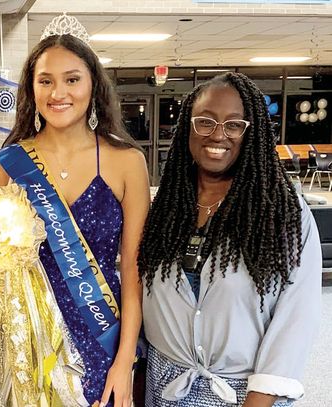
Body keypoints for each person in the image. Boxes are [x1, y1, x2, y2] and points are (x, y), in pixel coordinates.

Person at [0, 14, 150, 407]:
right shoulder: (7, 164)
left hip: (100, 335)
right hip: (22, 340)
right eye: (45, 80)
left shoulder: (127, 162)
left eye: (72, 79)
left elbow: (134, 270)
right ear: (31, 90)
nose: (58, 92)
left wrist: (124, 361)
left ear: (93, 86)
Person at [138, 72, 321, 406]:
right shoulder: (166, 207)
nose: (219, 134)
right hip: (164, 388)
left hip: (244, 395)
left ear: (252, 133)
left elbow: (297, 319)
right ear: (187, 128)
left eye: (235, 124)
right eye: (205, 121)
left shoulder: (281, 214)